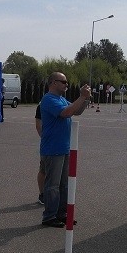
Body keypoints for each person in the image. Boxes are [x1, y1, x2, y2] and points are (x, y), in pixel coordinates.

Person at [39, 72, 90, 227]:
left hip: (63, 147)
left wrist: (85, 99)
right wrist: (81, 96)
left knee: (63, 185)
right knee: (52, 186)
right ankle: (49, 216)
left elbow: (76, 111)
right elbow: (66, 113)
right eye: (64, 82)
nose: (66, 84)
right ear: (53, 83)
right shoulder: (49, 99)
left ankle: (61, 214)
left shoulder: (61, 99)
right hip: (52, 148)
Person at [35, 104, 44, 204]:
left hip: (61, 144)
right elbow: (38, 126)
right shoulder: (42, 105)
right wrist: (45, 138)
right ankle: (42, 194)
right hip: (48, 144)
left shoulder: (62, 101)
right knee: (43, 170)